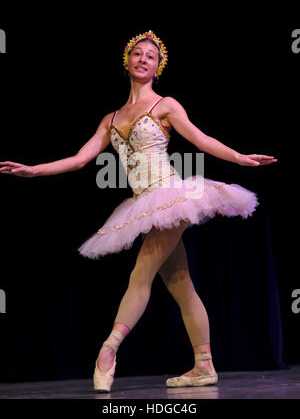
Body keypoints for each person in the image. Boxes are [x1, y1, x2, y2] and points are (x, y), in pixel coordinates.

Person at [0, 30, 277, 393]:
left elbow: (200, 139)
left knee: (142, 270)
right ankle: (204, 364)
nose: (143, 59)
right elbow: (79, 159)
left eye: (151, 56)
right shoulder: (110, 118)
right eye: (138, 54)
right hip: (142, 202)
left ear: (157, 68)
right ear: (127, 61)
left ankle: (109, 349)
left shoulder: (165, 105)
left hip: (170, 197)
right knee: (180, 283)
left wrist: (239, 157)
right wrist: (34, 170)